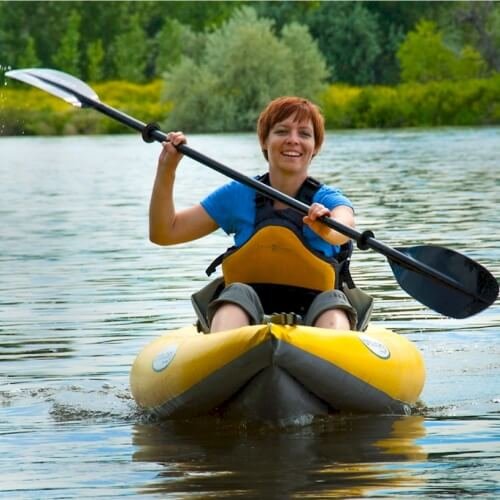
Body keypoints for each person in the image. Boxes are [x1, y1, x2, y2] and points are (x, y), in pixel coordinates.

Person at [149, 96, 365, 333]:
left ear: (316, 146)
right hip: (245, 308)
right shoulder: (239, 194)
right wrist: (167, 168)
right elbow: (165, 232)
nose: (293, 140)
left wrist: (327, 228)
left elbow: (344, 225)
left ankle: (331, 355)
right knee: (233, 298)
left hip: (319, 308)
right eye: (282, 131)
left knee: (334, 306)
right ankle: (225, 349)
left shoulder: (327, 199)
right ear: (264, 140)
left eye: (304, 134)